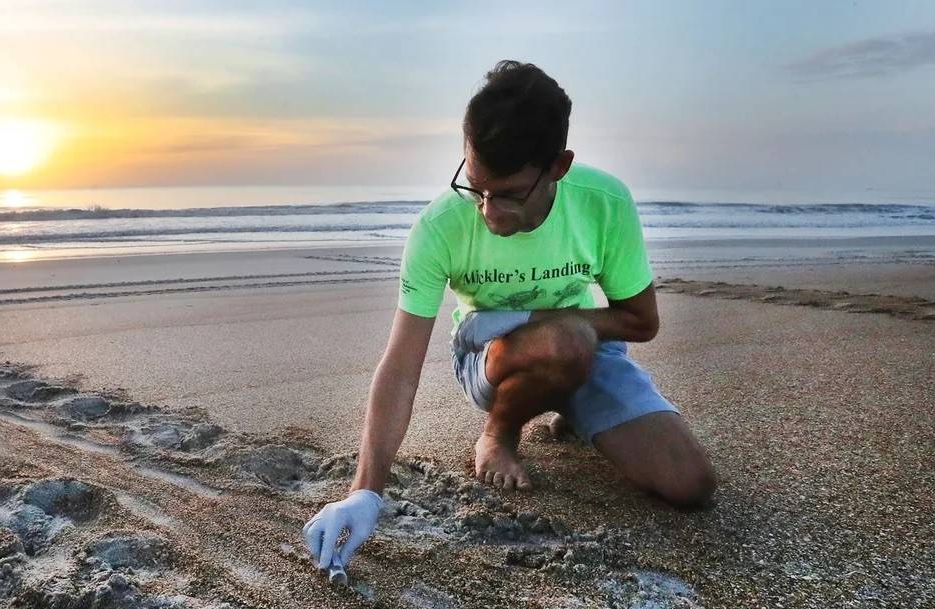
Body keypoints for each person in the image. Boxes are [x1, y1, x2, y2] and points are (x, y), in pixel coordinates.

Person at [303, 60, 717, 575]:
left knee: (691, 484)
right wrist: (364, 492)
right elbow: (401, 365)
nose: (488, 212)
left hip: (582, 347)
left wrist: (534, 316)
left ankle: (571, 397)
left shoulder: (604, 203)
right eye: (476, 187)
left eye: (509, 194)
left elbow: (641, 321)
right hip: (487, 360)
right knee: (562, 344)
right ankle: (499, 434)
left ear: (558, 168)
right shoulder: (439, 228)